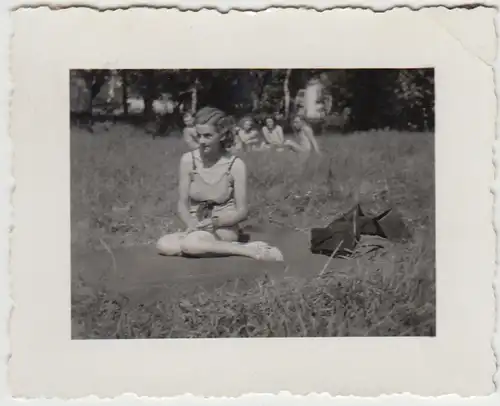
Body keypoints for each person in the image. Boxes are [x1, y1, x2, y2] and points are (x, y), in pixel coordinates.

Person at [156, 106, 284, 261]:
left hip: (223, 228)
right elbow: (182, 204)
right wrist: (191, 223)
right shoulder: (188, 160)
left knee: (191, 244)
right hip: (196, 228)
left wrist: (216, 222)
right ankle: (205, 246)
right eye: (198, 136)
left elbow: (242, 212)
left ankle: (249, 250)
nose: (201, 141)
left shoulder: (235, 165)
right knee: (164, 244)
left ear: (222, 135)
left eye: (208, 136)